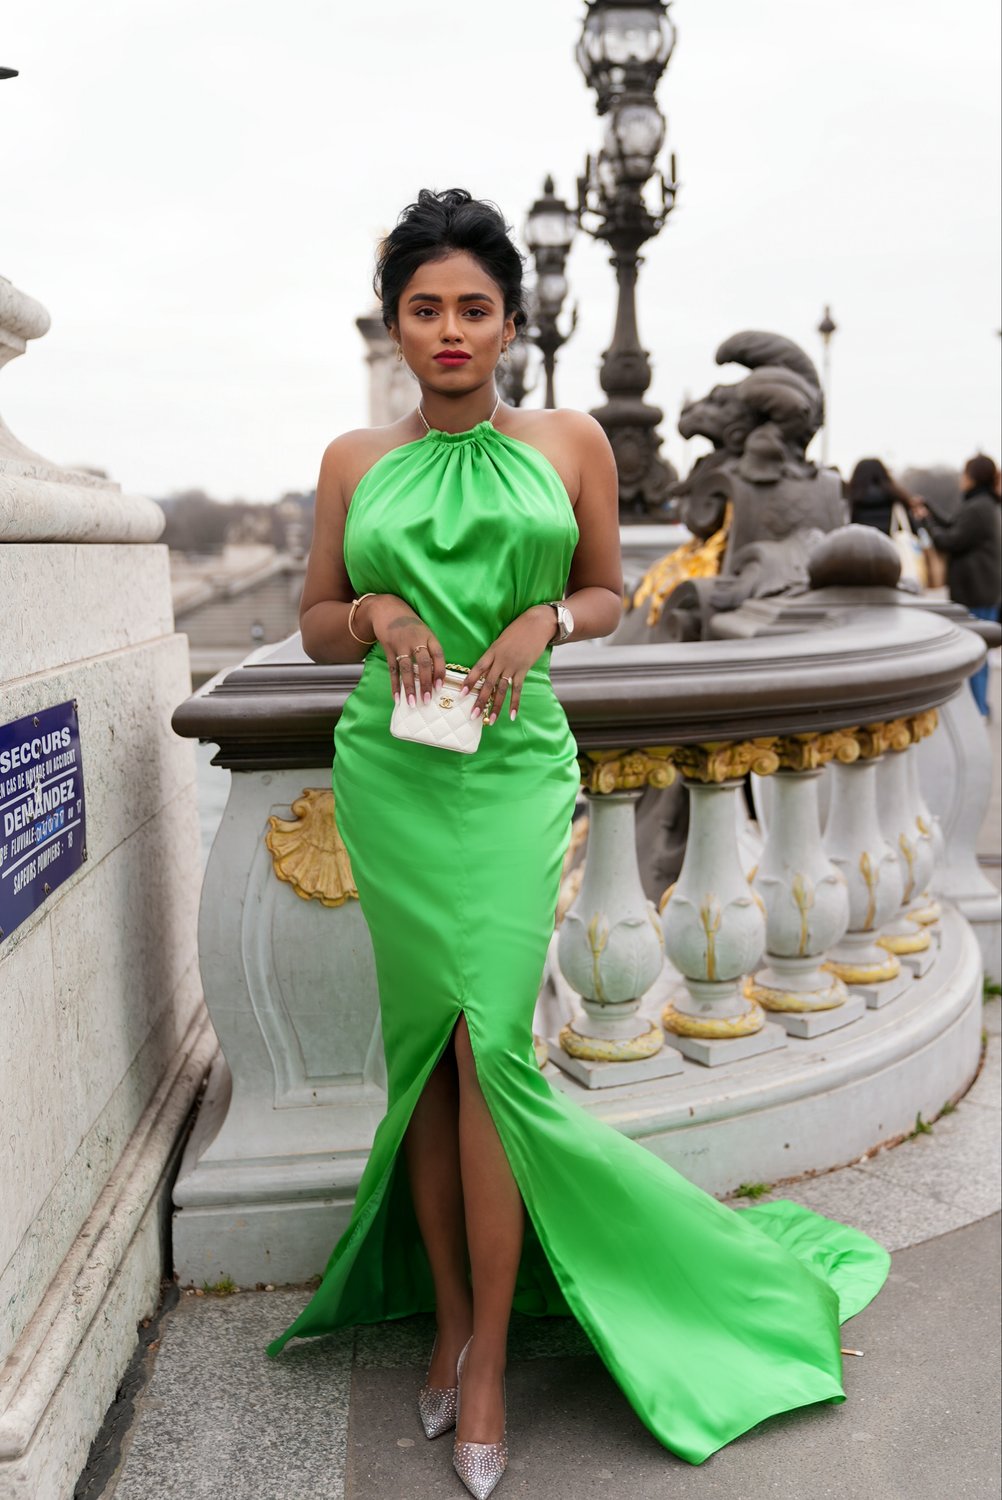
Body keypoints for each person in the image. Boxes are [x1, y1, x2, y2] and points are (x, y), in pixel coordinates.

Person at [265, 188, 889, 1496]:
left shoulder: (565, 445)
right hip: (392, 768)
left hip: (512, 770)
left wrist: (540, 621)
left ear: (510, 323)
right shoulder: (348, 462)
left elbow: (607, 588)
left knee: (489, 1048)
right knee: (424, 1062)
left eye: (474, 309)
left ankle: (487, 1356)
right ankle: (445, 1318)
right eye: (425, 308)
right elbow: (316, 619)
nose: (450, 330)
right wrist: (376, 609)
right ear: (395, 321)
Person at [911, 454, 1002, 718]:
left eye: (965, 474)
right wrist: (930, 510)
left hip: (977, 590)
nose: (962, 479)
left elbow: (950, 540)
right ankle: (980, 706)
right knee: (978, 650)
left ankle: (979, 709)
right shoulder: (981, 504)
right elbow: (954, 524)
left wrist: (925, 522)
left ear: (973, 476)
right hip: (982, 588)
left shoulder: (978, 508)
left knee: (976, 652)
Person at [846, 457, 915, 534]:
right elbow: (910, 529)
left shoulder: (850, 501)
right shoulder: (896, 498)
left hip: (859, 543)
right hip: (890, 543)